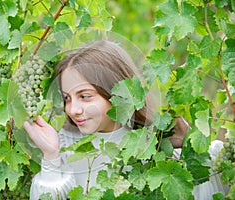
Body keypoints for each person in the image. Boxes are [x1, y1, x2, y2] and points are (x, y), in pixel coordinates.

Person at [23, 40, 228, 199]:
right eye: (67, 98)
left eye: (85, 96)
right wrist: (51, 155)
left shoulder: (160, 152)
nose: (73, 109)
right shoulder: (68, 154)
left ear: (117, 92)